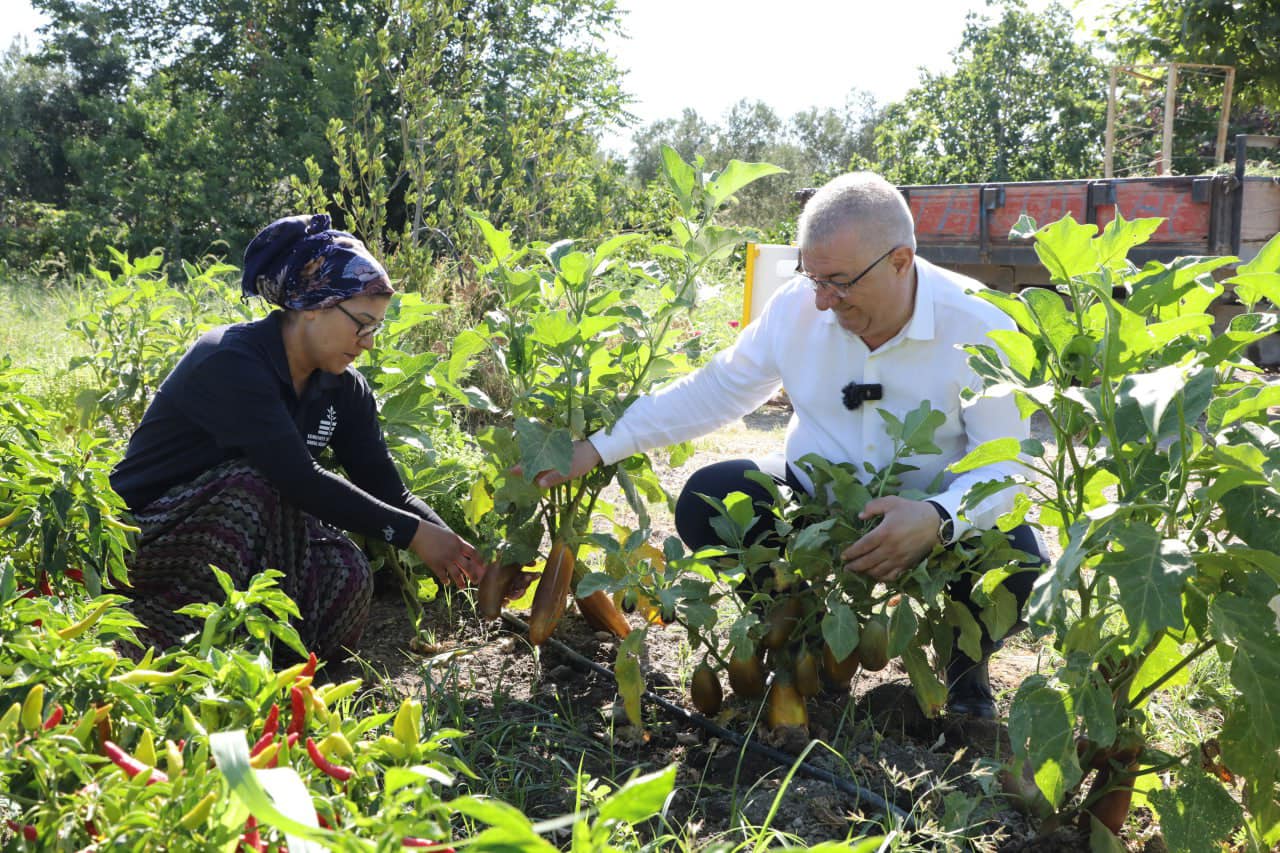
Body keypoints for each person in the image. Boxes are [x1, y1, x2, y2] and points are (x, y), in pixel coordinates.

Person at [533, 172, 1046, 719]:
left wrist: (938, 518)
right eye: (813, 278)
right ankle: (797, 640)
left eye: (841, 282)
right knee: (713, 494)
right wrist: (597, 447)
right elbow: (716, 389)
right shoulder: (796, 308)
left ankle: (966, 672)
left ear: (901, 260)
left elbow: (1007, 470)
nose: (824, 301)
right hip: (815, 507)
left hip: (926, 525)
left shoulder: (982, 325)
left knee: (1018, 557)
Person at [110, 213, 487, 660]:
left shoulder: (343, 387)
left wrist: (464, 554)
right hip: (143, 539)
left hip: (246, 535)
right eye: (361, 324)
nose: (367, 342)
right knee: (252, 486)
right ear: (313, 305)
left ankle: (275, 664)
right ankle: (164, 643)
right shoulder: (230, 360)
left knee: (346, 570)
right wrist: (412, 536)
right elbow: (297, 478)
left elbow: (388, 489)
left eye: (376, 329)